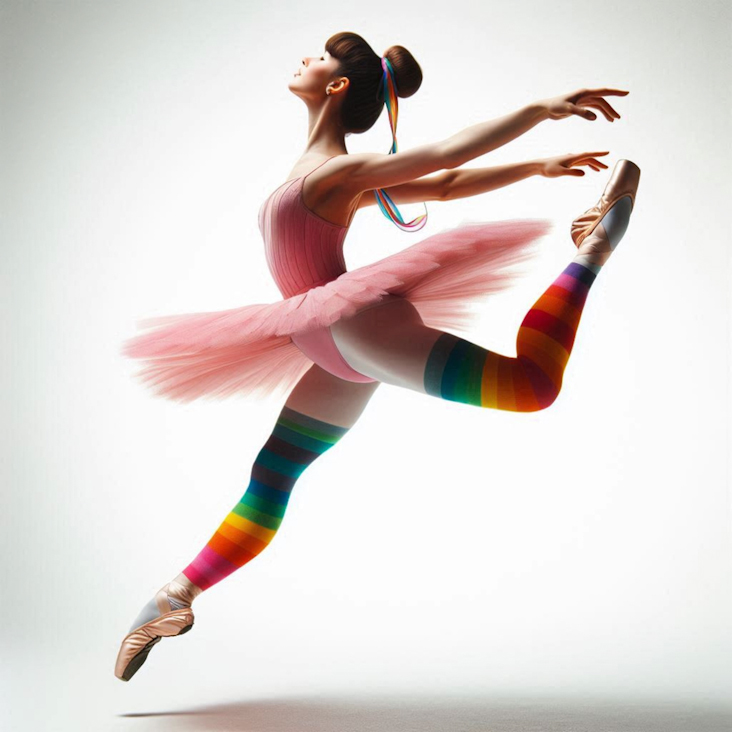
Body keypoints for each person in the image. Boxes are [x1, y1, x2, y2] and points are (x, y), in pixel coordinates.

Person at [114, 31, 640, 681]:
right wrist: (534, 169)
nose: (304, 57)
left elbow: (445, 157)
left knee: (530, 386)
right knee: (271, 477)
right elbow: (444, 186)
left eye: (319, 57)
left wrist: (541, 111)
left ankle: (589, 251)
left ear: (335, 86)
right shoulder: (320, 171)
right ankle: (174, 597)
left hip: (353, 327)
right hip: (329, 341)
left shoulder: (337, 172)